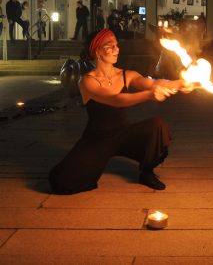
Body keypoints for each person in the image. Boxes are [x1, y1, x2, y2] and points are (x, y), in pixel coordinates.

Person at [49, 29, 193, 194]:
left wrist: (183, 83)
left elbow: (155, 83)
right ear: (98, 51)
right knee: (61, 182)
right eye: (110, 46)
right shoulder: (87, 81)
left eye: (117, 45)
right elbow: (115, 100)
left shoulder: (127, 75)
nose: (117, 49)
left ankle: (146, 172)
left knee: (157, 126)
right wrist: (148, 95)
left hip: (124, 133)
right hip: (97, 139)